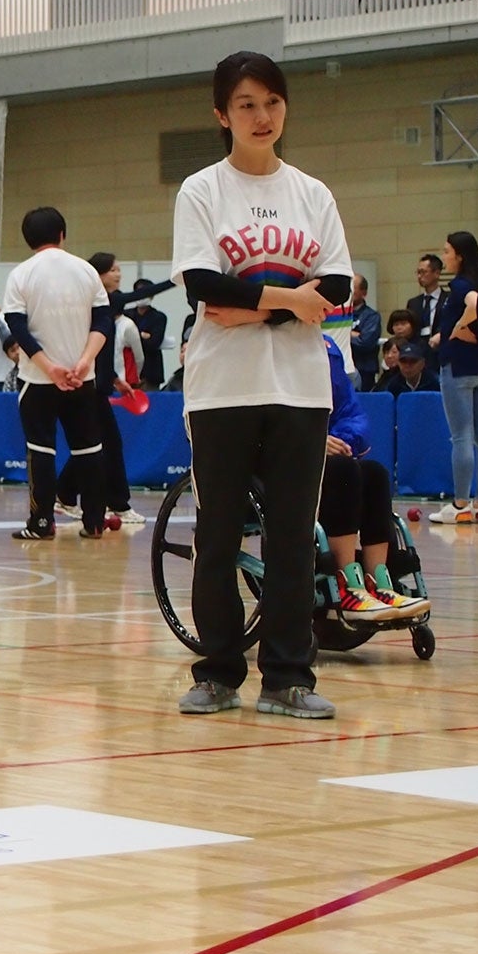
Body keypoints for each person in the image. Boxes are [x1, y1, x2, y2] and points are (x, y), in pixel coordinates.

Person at [171, 51, 352, 721]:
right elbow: (202, 284)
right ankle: (218, 671)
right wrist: (288, 299)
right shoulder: (202, 190)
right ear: (222, 114)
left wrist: (257, 307)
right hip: (222, 387)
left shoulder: (313, 193)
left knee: (290, 537)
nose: (262, 115)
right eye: (246, 103)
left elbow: (334, 286)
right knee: (218, 534)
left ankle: (287, 677)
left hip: (300, 388)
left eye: (272, 101)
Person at [3, 207, 110, 541]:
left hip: (38, 381)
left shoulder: (21, 275)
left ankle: (40, 523)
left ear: (27, 238)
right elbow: (103, 320)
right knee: (89, 449)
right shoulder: (87, 271)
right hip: (83, 378)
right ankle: (94, 522)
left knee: (41, 450)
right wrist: (83, 362)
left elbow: (17, 327)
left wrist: (50, 367)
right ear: (62, 234)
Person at [317, 335, 430, 623]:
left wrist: (341, 440)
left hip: (324, 455)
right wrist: (315, 440)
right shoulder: (271, 348)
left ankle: (378, 581)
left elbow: (350, 413)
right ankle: (347, 584)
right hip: (284, 457)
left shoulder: (326, 349)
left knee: (374, 473)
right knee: (343, 471)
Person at [56, 252, 174, 525]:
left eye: (119, 269)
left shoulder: (107, 301)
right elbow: (149, 292)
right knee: (108, 444)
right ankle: (118, 504)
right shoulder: (97, 301)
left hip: (101, 384)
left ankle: (64, 494)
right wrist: (178, 279)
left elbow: (105, 350)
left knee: (95, 444)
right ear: (99, 274)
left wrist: (116, 381)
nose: (118, 274)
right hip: (88, 387)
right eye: (113, 269)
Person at [429, 230, 478, 524]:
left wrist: (457, 328)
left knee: (461, 437)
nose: (444, 257)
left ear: (460, 254)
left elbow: (474, 304)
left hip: (457, 368)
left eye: (447, 251)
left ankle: (459, 505)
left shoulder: (461, 284)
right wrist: (448, 332)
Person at [125, 281, 170, 388]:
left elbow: (153, 343)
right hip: (127, 371)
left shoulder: (158, 317)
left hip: (150, 372)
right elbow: (122, 341)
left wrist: (133, 338)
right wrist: (142, 336)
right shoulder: (126, 314)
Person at [408, 252, 445, 372]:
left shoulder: (448, 299)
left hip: (441, 352)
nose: (420, 276)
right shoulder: (413, 303)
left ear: (437, 273)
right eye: (418, 272)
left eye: (423, 272)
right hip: (419, 355)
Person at [348, 274, 382, 388]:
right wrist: (353, 335)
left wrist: (345, 335)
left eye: (353, 288)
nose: (349, 291)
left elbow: (365, 342)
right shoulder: (339, 315)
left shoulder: (372, 316)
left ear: (364, 292)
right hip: (343, 366)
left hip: (364, 369)